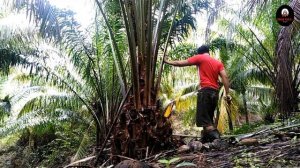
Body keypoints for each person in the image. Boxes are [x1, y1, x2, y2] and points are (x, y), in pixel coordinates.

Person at [164, 45, 231, 143]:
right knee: (208, 119)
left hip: (205, 92)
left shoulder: (200, 57)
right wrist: (227, 93)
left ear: (199, 53)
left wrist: (167, 61)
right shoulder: (218, 63)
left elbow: (180, 63)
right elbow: (225, 77)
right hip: (214, 93)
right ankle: (206, 142)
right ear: (208, 52)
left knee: (205, 121)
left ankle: (218, 141)